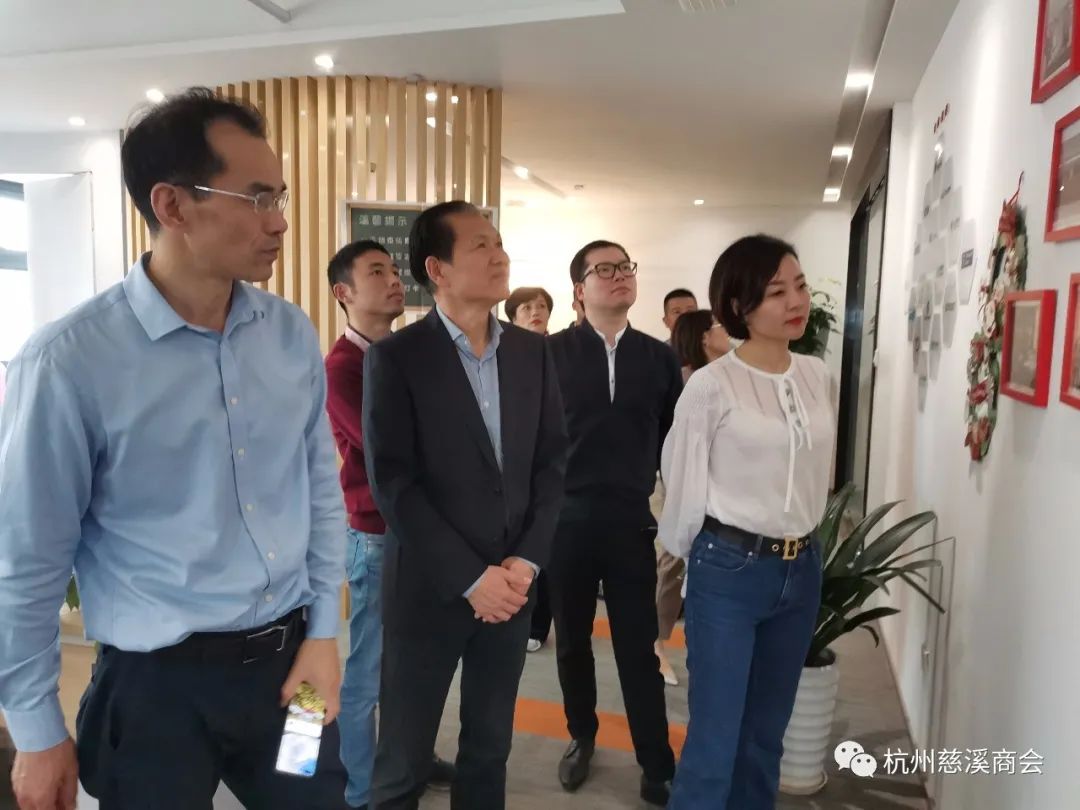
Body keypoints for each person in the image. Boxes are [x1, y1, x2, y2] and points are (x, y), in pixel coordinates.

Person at [0, 88, 350, 810]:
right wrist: (35, 730)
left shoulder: (288, 335)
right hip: (154, 692)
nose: (280, 221)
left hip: (296, 668)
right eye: (257, 198)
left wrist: (324, 636)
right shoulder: (70, 362)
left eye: (280, 197)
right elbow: (28, 558)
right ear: (173, 206)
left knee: (318, 799)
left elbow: (319, 491)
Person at [362, 201, 568, 809]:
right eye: (481, 246)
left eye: (499, 243)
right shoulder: (397, 357)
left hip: (512, 586)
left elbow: (552, 465)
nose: (500, 256)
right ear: (438, 269)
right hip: (429, 587)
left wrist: (525, 562)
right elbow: (394, 483)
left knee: (489, 749)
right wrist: (472, 578)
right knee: (403, 756)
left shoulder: (532, 353)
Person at [659, 235, 836, 809]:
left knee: (765, 737)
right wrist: (688, 564)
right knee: (715, 742)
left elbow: (816, 472)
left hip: (801, 568)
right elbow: (681, 479)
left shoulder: (816, 375)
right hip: (729, 569)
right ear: (739, 306)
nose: (796, 301)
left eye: (800, 286)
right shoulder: (711, 385)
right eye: (776, 291)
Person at [546, 240, 680, 807]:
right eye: (605, 269)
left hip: (630, 521)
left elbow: (674, 445)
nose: (620, 275)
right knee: (572, 642)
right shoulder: (547, 354)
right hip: (565, 521)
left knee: (638, 646)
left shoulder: (658, 358)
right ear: (580, 289)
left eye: (626, 267)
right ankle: (582, 736)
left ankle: (656, 761)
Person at [325, 240, 456, 809]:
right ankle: (361, 789)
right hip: (377, 535)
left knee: (412, 665)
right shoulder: (342, 367)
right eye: (376, 272)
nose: (395, 280)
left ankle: (409, 760)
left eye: (394, 270)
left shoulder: (406, 354)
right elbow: (388, 447)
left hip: (420, 531)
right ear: (344, 292)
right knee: (368, 670)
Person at [653, 309, 733, 686]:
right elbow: (674, 447)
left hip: (722, 493)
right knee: (672, 560)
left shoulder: (732, 376)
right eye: (718, 326)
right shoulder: (688, 382)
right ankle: (654, 643)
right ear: (704, 337)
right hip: (681, 485)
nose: (727, 331)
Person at [504, 286, 556, 653]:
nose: (535, 311)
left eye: (541, 306)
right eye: (526, 307)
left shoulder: (559, 351)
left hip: (553, 462)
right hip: (514, 466)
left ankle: (538, 625)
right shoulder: (501, 353)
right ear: (512, 316)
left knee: (544, 549)